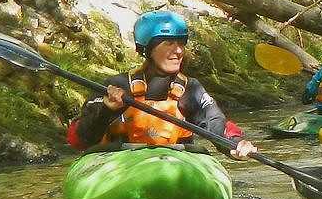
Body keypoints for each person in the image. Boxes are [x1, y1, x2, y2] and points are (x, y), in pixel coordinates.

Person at [68, 8, 258, 159]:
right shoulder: (117, 86)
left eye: (181, 44)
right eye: (168, 43)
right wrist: (106, 111)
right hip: (120, 166)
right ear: (147, 49)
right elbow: (78, 140)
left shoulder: (190, 89)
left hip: (174, 166)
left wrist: (235, 143)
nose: (178, 51)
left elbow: (215, 122)